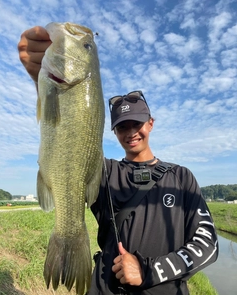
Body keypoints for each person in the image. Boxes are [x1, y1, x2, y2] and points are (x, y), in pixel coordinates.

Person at [18, 26, 218, 295]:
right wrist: (42, 83)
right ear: (114, 131)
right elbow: (71, 140)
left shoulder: (181, 178)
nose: (131, 132)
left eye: (137, 123)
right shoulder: (105, 172)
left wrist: (148, 271)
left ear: (150, 123)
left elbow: (208, 245)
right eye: (123, 126)